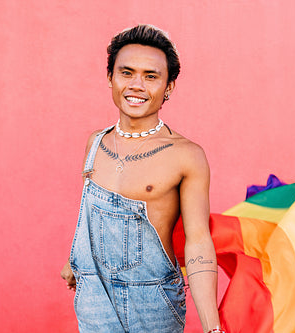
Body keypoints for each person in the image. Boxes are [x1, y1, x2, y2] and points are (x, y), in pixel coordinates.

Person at [61, 24, 224, 333]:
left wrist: (212, 328)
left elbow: (199, 242)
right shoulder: (95, 143)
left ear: (169, 87)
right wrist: (76, 258)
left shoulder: (186, 155)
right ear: (110, 78)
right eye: (127, 73)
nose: (137, 85)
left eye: (151, 76)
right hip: (94, 295)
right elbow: (89, 211)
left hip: (153, 301)